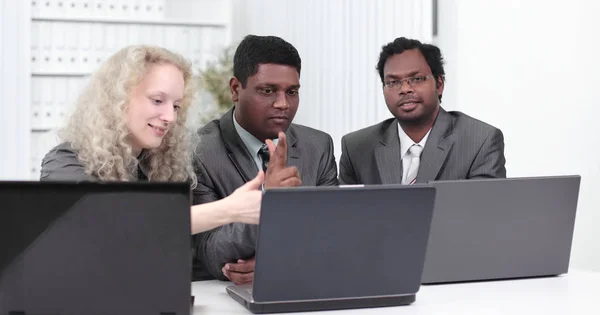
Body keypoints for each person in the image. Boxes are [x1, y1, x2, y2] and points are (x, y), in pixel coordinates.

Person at [40, 45, 263, 235]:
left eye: (176, 106)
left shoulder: (161, 166)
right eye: (157, 101)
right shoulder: (64, 162)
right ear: (117, 99)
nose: (170, 117)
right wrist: (228, 210)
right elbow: (108, 223)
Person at [192, 35, 338, 283]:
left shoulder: (318, 146)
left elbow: (333, 233)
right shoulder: (198, 151)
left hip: (299, 285)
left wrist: (279, 262)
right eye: (268, 91)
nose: (283, 104)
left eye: (292, 92)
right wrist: (269, 201)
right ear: (236, 89)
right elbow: (211, 251)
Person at [339, 37, 506, 185]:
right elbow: (346, 215)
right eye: (393, 82)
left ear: (439, 84)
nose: (405, 89)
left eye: (416, 79)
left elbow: (483, 214)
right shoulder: (357, 148)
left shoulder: (480, 141)